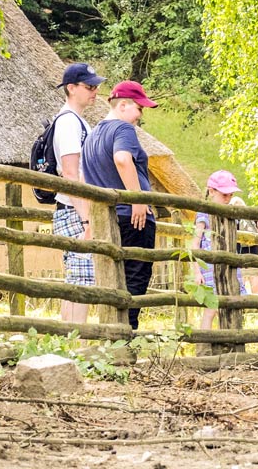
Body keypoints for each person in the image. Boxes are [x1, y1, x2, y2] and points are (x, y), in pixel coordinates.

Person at [81, 80, 158, 330]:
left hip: (107, 220)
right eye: (139, 108)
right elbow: (123, 159)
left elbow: (85, 180)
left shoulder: (92, 136)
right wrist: (137, 199)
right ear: (123, 105)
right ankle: (127, 333)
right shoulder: (123, 130)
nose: (140, 115)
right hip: (132, 217)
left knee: (113, 278)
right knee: (135, 277)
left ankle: (112, 334)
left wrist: (91, 220)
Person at [52, 63, 105, 324]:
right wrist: (86, 219)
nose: (95, 91)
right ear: (71, 88)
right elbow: (71, 174)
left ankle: (72, 342)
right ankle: (76, 342)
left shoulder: (78, 121)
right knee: (81, 278)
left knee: (80, 277)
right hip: (75, 210)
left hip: (78, 209)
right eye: (89, 86)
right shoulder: (68, 123)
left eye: (96, 86)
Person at [193, 170, 246, 329]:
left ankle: (230, 340)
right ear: (212, 191)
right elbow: (195, 244)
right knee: (212, 309)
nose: (228, 199)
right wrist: (197, 271)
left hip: (229, 266)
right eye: (224, 195)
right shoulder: (204, 213)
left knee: (234, 303)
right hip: (210, 268)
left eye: (230, 195)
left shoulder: (230, 214)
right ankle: (205, 347)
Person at [231, 195, 258, 295]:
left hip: (238, 251)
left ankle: (242, 302)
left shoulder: (231, 217)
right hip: (253, 251)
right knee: (254, 275)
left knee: (241, 278)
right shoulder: (252, 215)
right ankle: (256, 301)